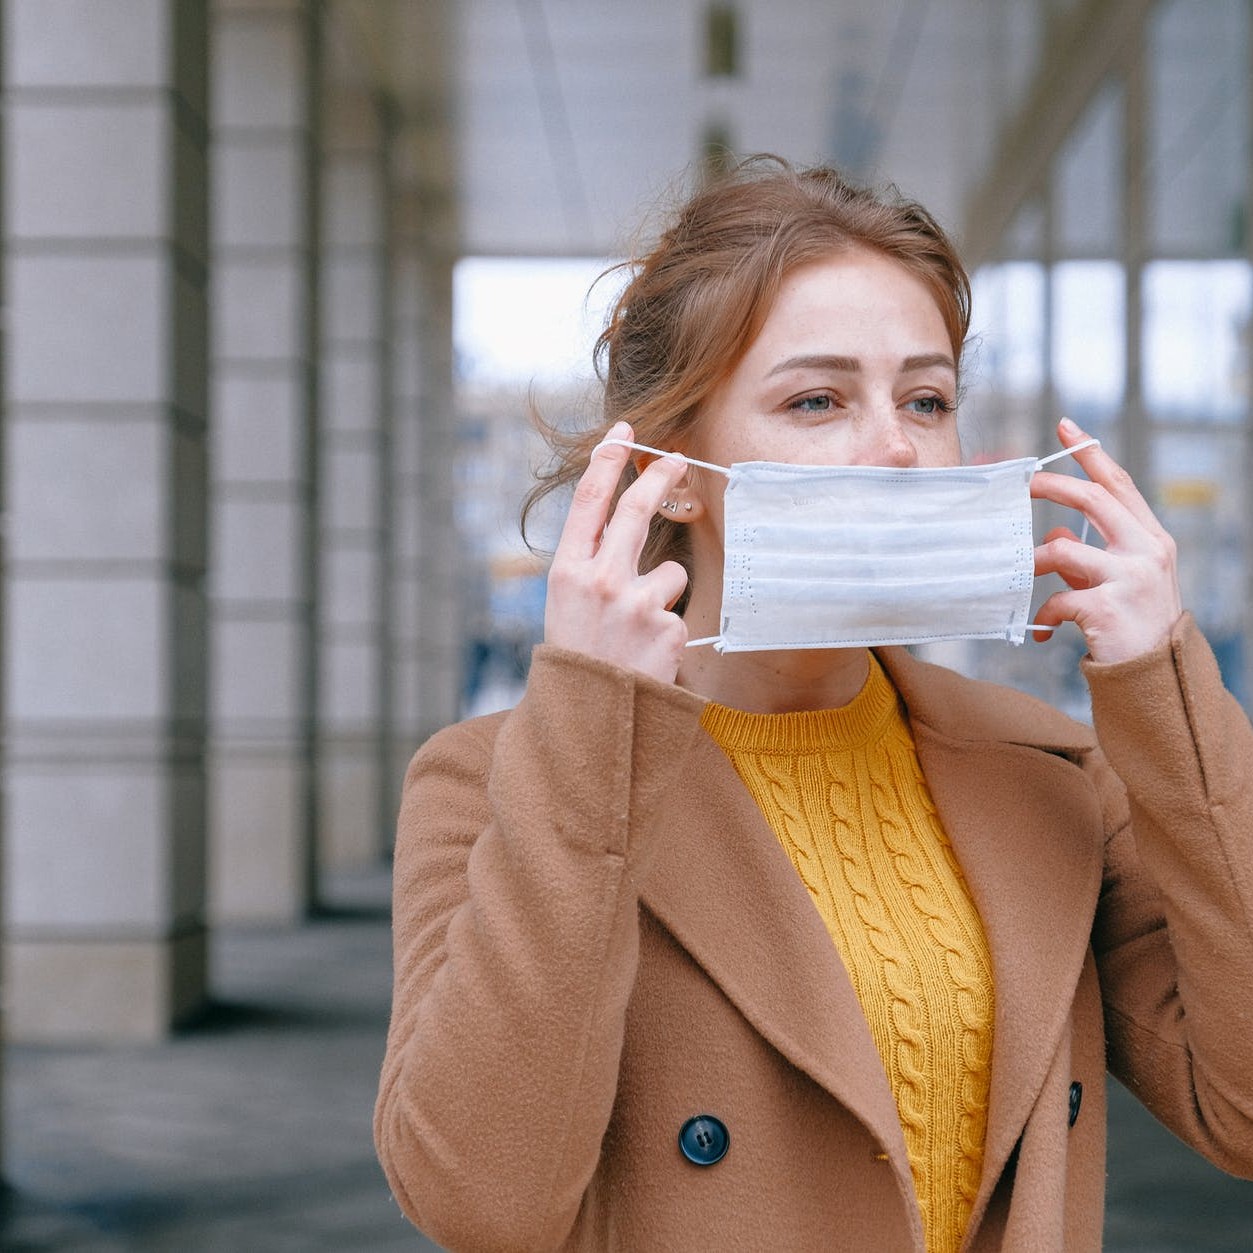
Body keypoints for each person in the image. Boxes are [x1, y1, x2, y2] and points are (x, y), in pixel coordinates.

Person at [374, 157, 1253, 1251]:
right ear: (673, 466)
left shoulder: (1054, 770)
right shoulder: (494, 778)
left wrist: (1165, 694)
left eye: (925, 399)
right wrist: (593, 724)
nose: (894, 445)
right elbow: (479, 1199)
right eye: (815, 399)